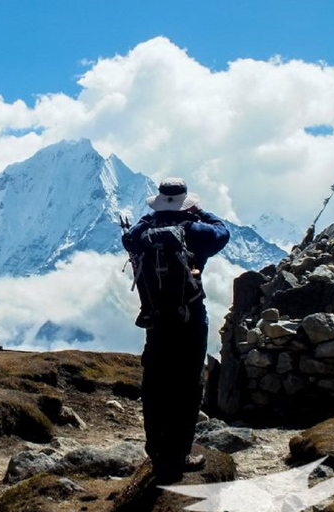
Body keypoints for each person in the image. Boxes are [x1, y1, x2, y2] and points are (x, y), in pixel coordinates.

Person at [122, 177, 230, 483]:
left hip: (155, 319)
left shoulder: (142, 232)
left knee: (156, 382)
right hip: (190, 315)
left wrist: (153, 216)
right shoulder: (196, 231)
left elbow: (128, 237)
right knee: (188, 384)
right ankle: (179, 452)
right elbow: (223, 232)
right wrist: (197, 212)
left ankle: (156, 448)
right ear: (186, 202)